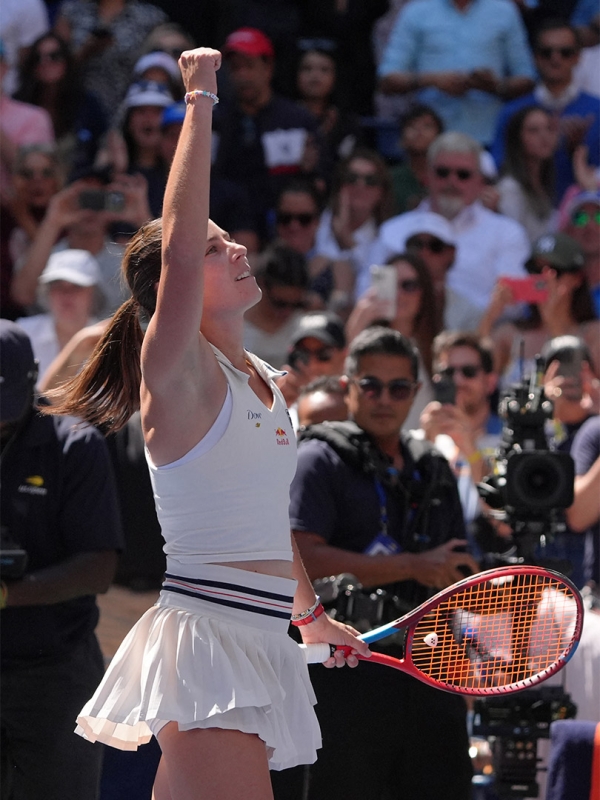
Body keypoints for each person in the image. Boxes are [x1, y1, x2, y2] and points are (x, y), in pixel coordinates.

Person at [43, 47, 369, 800]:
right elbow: (181, 251)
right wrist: (199, 100)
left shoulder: (267, 383)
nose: (237, 248)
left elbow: (265, 523)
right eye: (217, 247)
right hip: (209, 642)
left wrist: (311, 617)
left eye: (230, 241)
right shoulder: (177, 369)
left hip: (259, 636)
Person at [271, 326, 478, 800]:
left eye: (398, 388)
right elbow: (299, 558)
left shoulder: (433, 466)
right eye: (371, 386)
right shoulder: (318, 457)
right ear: (348, 387)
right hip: (343, 673)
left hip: (428, 670)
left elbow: (457, 567)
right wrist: (413, 565)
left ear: (415, 392)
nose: (384, 399)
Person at [0, 320, 123, 800]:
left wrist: (8, 593)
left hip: (53, 670)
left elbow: (98, 567)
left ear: (32, 380)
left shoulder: (73, 443)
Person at [392, 131, 531, 330]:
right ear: (426, 176)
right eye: (442, 173)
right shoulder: (393, 230)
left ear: (480, 182)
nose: (452, 182)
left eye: (463, 175)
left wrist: (463, 316)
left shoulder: (507, 232)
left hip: (481, 334)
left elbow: (515, 301)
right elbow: (369, 291)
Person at [212, 27, 324, 243]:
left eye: (249, 66)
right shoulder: (216, 121)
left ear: (268, 68)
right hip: (227, 230)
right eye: (235, 68)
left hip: (287, 229)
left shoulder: (296, 120)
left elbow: (319, 179)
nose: (242, 75)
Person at [377, 0, 535, 146]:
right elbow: (387, 80)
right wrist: (433, 80)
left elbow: (527, 79)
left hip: (488, 136)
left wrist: (494, 86)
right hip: (431, 140)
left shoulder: (504, 11)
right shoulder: (416, 12)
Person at [10, 167, 151, 316]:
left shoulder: (127, 261)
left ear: (110, 203)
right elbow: (22, 295)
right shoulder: (45, 258)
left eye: (98, 199)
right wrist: (53, 220)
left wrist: (143, 220)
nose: (90, 209)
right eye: (84, 198)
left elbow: (163, 289)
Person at [491, 20, 600, 203]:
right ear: (535, 57)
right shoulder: (512, 112)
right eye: (546, 52)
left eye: (565, 52)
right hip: (527, 211)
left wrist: (576, 151)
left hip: (584, 214)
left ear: (577, 57)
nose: (555, 59)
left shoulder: (597, 110)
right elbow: (499, 169)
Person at [479, 232, 600, 390]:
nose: (544, 280)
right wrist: (491, 315)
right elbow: (475, 378)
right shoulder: (509, 334)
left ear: (577, 279)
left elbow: (581, 387)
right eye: (536, 270)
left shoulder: (593, 334)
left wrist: (553, 323)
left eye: (554, 272)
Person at [417, 331, 502, 543]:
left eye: (468, 372)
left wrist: (471, 451)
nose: (457, 380)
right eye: (447, 372)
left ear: (490, 382)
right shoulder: (419, 438)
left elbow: (503, 524)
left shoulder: (508, 439)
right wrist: (424, 445)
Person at [346, 251, 437, 431]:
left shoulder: (435, 345)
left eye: (408, 285)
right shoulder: (364, 341)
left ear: (424, 292)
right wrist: (358, 322)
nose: (399, 293)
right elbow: (339, 383)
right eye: (391, 285)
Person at [13, 32, 108, 178]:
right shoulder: (18, 104)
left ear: (66, 60)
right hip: (29, 184)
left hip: (80, 183)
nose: (45, 62)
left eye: (54, 56)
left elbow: (104, 145)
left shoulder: (88, 103)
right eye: (37, 58)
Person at [314, 147, 396, 300]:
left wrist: (347, 241)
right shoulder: (313, 220)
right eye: (352, 178)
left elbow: (379, 290)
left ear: (381, 192)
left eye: (370, 181)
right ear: (340, 185)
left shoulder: (388, 237)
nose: (360, 185)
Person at [15, 249, 103, 383]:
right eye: (58, 286)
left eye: (77, 287)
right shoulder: (22, 334)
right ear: (46, 292)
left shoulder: (110, 340)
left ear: (94, 293)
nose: (67, 294)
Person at [1, 143, 63, 322]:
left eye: (46, 173)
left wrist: (24, 220)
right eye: (27, 174)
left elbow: (55, 263)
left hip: (54, 314)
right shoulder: (3, 218)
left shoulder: (67, 219)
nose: (37, 180)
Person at [496, 105, 559, 244]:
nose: (544, 136)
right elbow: (511, 241)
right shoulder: (510, 189)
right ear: (517, 138)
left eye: (549, 128)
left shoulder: (544, 184)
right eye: (533, 130)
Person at [243, 241, 311, 369]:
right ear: (261, 284)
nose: (287, 312)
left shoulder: (308, 322)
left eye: (295, 304)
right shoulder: (234, 323)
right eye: (280, 303)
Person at [276, 310, 347, 427]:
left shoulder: (359, 400)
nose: (312, 364)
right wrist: (277, 408)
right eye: (303, 354)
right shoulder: (284, 401)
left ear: (344, 356)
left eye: (323, 354)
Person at [390, 104, 444, 214]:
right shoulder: (390, 178)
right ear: (402, 138)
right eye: (412, 126)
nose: (419, 132)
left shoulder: (451, 175)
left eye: (427, 126)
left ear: (439, 137)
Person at [561, 188, 600, 315]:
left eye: (599, 217)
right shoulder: (558, 286)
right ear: (569, 230)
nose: (590, 225)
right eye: (580, 218)